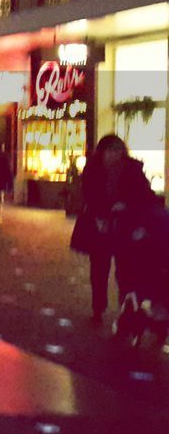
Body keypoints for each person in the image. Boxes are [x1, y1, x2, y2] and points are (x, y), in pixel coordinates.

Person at [72, 135, 155, 327]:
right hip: (100, 225)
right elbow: (89, 195)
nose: (113, 155)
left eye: (117, 151)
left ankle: (125, 308)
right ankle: (98, 307)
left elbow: (144, 195)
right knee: (99, 268)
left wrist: (126, 205)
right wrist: (99, 215)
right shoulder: (93, 169)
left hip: (124, 225)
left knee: (125, 268)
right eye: (109, 151)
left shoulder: (132, 170)